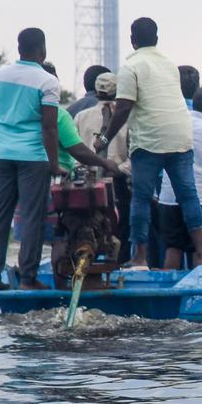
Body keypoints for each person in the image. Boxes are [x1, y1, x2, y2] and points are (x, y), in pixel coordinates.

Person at [97, 17, 201, 270]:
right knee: (188, 195)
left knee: (141, 198)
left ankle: (140, 257)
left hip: (150, 141)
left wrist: (104, 139)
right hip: (181, 137)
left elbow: (122, 108)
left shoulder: (130, 66)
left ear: (132, 40)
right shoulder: (169, 64)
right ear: (157, 39)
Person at [0, 28, 63, 291]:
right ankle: (28, 278)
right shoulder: (47, 81)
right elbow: (50, 127)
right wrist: (54, 164)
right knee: (32, 217)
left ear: (19, 49)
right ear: (43, 49)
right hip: (33, 157)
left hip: (4, 155)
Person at [157, 85, 202, 269]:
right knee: (200, 252)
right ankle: (199, 295)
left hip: (168, 199)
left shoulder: (174, 126)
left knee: (173, 248)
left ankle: (169, 295)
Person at [74, 71, 133, 262]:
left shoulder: (81, 117)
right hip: (116, 181)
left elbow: (73, 152)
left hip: (85, 182)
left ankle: (85, 261)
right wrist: (120, 168)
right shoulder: (128, 117)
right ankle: (119, 263)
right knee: (120, 226)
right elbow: (135, 155)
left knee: (84, 225)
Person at [40, 63, 121, 177]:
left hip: (80, 177)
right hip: (60, 176)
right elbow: (78, 151)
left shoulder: (73, 111)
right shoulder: (123, 115)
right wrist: (105, 163)